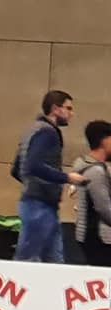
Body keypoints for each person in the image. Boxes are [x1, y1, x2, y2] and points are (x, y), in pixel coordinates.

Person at [11, 90, 87, 263]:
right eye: (68, 108)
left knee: (52, 260)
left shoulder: (32, 131)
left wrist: (32, 185)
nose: (72, 114)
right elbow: (34, 165)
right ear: (55, 109)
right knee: (30, 259)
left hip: (37, 204)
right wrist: (67, 178)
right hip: (40, 206)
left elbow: (17, 169)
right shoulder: (48, 133)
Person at [72, 120, 111, 267]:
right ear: (105, 141)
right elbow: (104, 209)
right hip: (99, 237)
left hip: (91, 235)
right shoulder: (95, 171)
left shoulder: (89, 166)